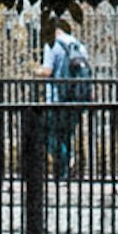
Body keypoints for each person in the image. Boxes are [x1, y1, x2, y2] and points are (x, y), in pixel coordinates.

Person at [37, 24, 92, 176]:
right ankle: (67, 164)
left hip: (56, 98)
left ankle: (64, 166)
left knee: (49, 134)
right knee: (67, 134)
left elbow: (47, 71)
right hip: (75, 98)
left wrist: (36, 71)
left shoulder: (52, 45)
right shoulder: (79, 46)